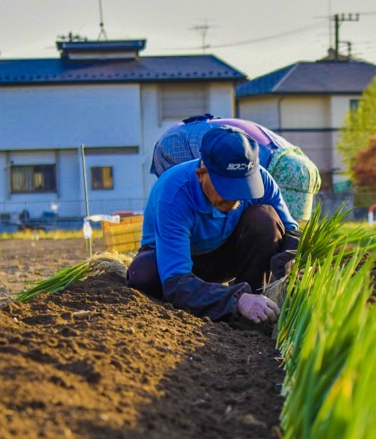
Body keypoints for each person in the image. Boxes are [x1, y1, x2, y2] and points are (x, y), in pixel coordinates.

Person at [127, 125, 300, 323]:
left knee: (265, 219)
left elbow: (292, 232)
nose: (235, 200)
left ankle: (256, 308)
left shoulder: (263, 180)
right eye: (227, 189)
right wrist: (237, 300)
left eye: (243, 188)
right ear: (201, 174)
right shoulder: (173, 194)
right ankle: (228, 302)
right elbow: (176, 280)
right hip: (173, 262)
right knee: (144, 274)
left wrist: (291, 259)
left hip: (222, 254)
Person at [150, 114, 321, 222]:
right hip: (177, 145)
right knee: (197, 212)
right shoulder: (247, 161)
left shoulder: (293, 161)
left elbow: (288, 220)